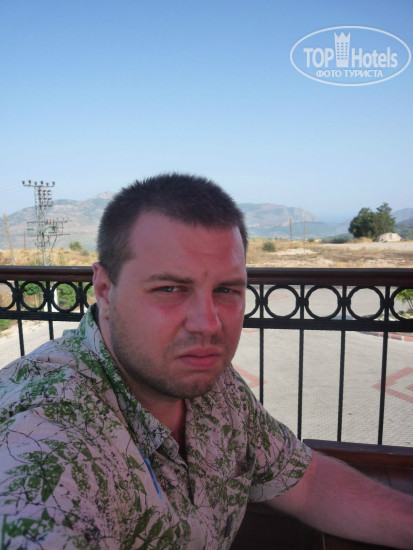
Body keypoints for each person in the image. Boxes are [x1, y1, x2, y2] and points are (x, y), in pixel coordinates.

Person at [0, 173, 412, 550]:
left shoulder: (215, 386)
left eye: (227, 290)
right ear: (105, 290)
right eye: (170, 289)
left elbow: (308, 481)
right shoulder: (47, 436)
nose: (208, 324)